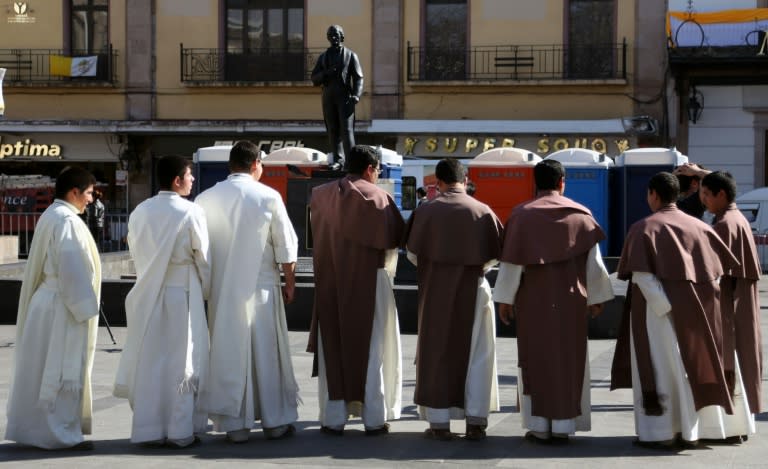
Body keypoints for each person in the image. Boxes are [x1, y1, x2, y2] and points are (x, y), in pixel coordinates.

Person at [610, 171, 740, 450]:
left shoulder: (643, 227)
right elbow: (716, 273)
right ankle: (693, 431)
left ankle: (660, 432)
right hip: (696, 313)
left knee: (659, 370)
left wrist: (667, 308)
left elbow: (643, 277)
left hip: (657, 315)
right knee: (690, 368)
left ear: (653, 194)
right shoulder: (700, 226)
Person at [492, 159, 614, 444]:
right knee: (568, 360)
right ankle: (563, 425)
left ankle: (538, 425)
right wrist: (597, 298)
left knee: (535, 360)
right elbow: (593, 263)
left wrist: (505, 299)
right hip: (571, 299)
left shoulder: (521, 215)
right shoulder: (581, 214)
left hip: (533, 299)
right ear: (562, 182)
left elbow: (512, 265)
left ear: (535, 183)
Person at [195, 140, 300, 443]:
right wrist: (290, 283)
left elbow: (200, 250)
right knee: (266, 353)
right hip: (262, 287)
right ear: (255, 164)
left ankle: (235, 425)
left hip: (222, 288)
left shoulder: (205, 198)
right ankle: (275, 421)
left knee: (228, 352)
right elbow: (286, 247)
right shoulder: (268, 196)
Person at [113, 155, 211, 448]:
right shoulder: (191, 212)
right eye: (190, 175)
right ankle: (180, 429)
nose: (192, 180)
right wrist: (207, 290)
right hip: (182, 290)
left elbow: (136, 250)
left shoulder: (140, 211)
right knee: (183, 361)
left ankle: (149, 428)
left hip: (149, 290)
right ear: (177, 180)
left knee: (152, 361)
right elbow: (203, 257)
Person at [308, 144, 404, 436]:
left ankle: (333, 417)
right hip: (370, 280)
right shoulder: (378, 197)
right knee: (372, 348)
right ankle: (374, 417)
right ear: (370, 169)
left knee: (332, 349)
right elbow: (394, 239)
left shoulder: (319, 195)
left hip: (330, 281)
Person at [404, 158, 503, 441]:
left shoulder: (426, 211)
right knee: (479, 354)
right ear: (466, 180)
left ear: (438, 182)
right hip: (475, 287)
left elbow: (412, 254)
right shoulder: (483, 210)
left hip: (435, 289)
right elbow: (495, 254)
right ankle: (475, 420)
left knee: (436, 353)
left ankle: (439, 422)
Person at [5, 166, 101, 450]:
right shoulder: (67, 222)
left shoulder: (53, 215)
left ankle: (34, 430)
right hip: (62, 307)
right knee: (60, 370)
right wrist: (86, 308)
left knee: (38, 370)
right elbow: (71, 270)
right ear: (74, 192)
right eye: (89, 193)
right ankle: (60, 434)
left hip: (46, 305)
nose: (91, 199)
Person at [699, 170, 762, 442]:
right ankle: (741, 425)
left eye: (705, 194)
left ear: (720, 195)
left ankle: (731, 426)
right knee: (741, 359)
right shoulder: (737, 219)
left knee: (728, 360)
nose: (702, 200)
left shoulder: (724, 224)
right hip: (741, 301)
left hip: (728, 302)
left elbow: (713, 269)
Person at [311, 24, 363, 170]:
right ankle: (338, 160)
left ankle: (351, 162)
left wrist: (356, 95)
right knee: (332, 129)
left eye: (336, 34)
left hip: (345, 95)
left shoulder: (351, 55)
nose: (334, 37)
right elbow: (314, 79)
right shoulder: (323, 57)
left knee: (346, 130)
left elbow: (359, 78)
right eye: (331, 35)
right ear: (328, 38)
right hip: (328, 95)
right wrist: (326, 73)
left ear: (342, 37)